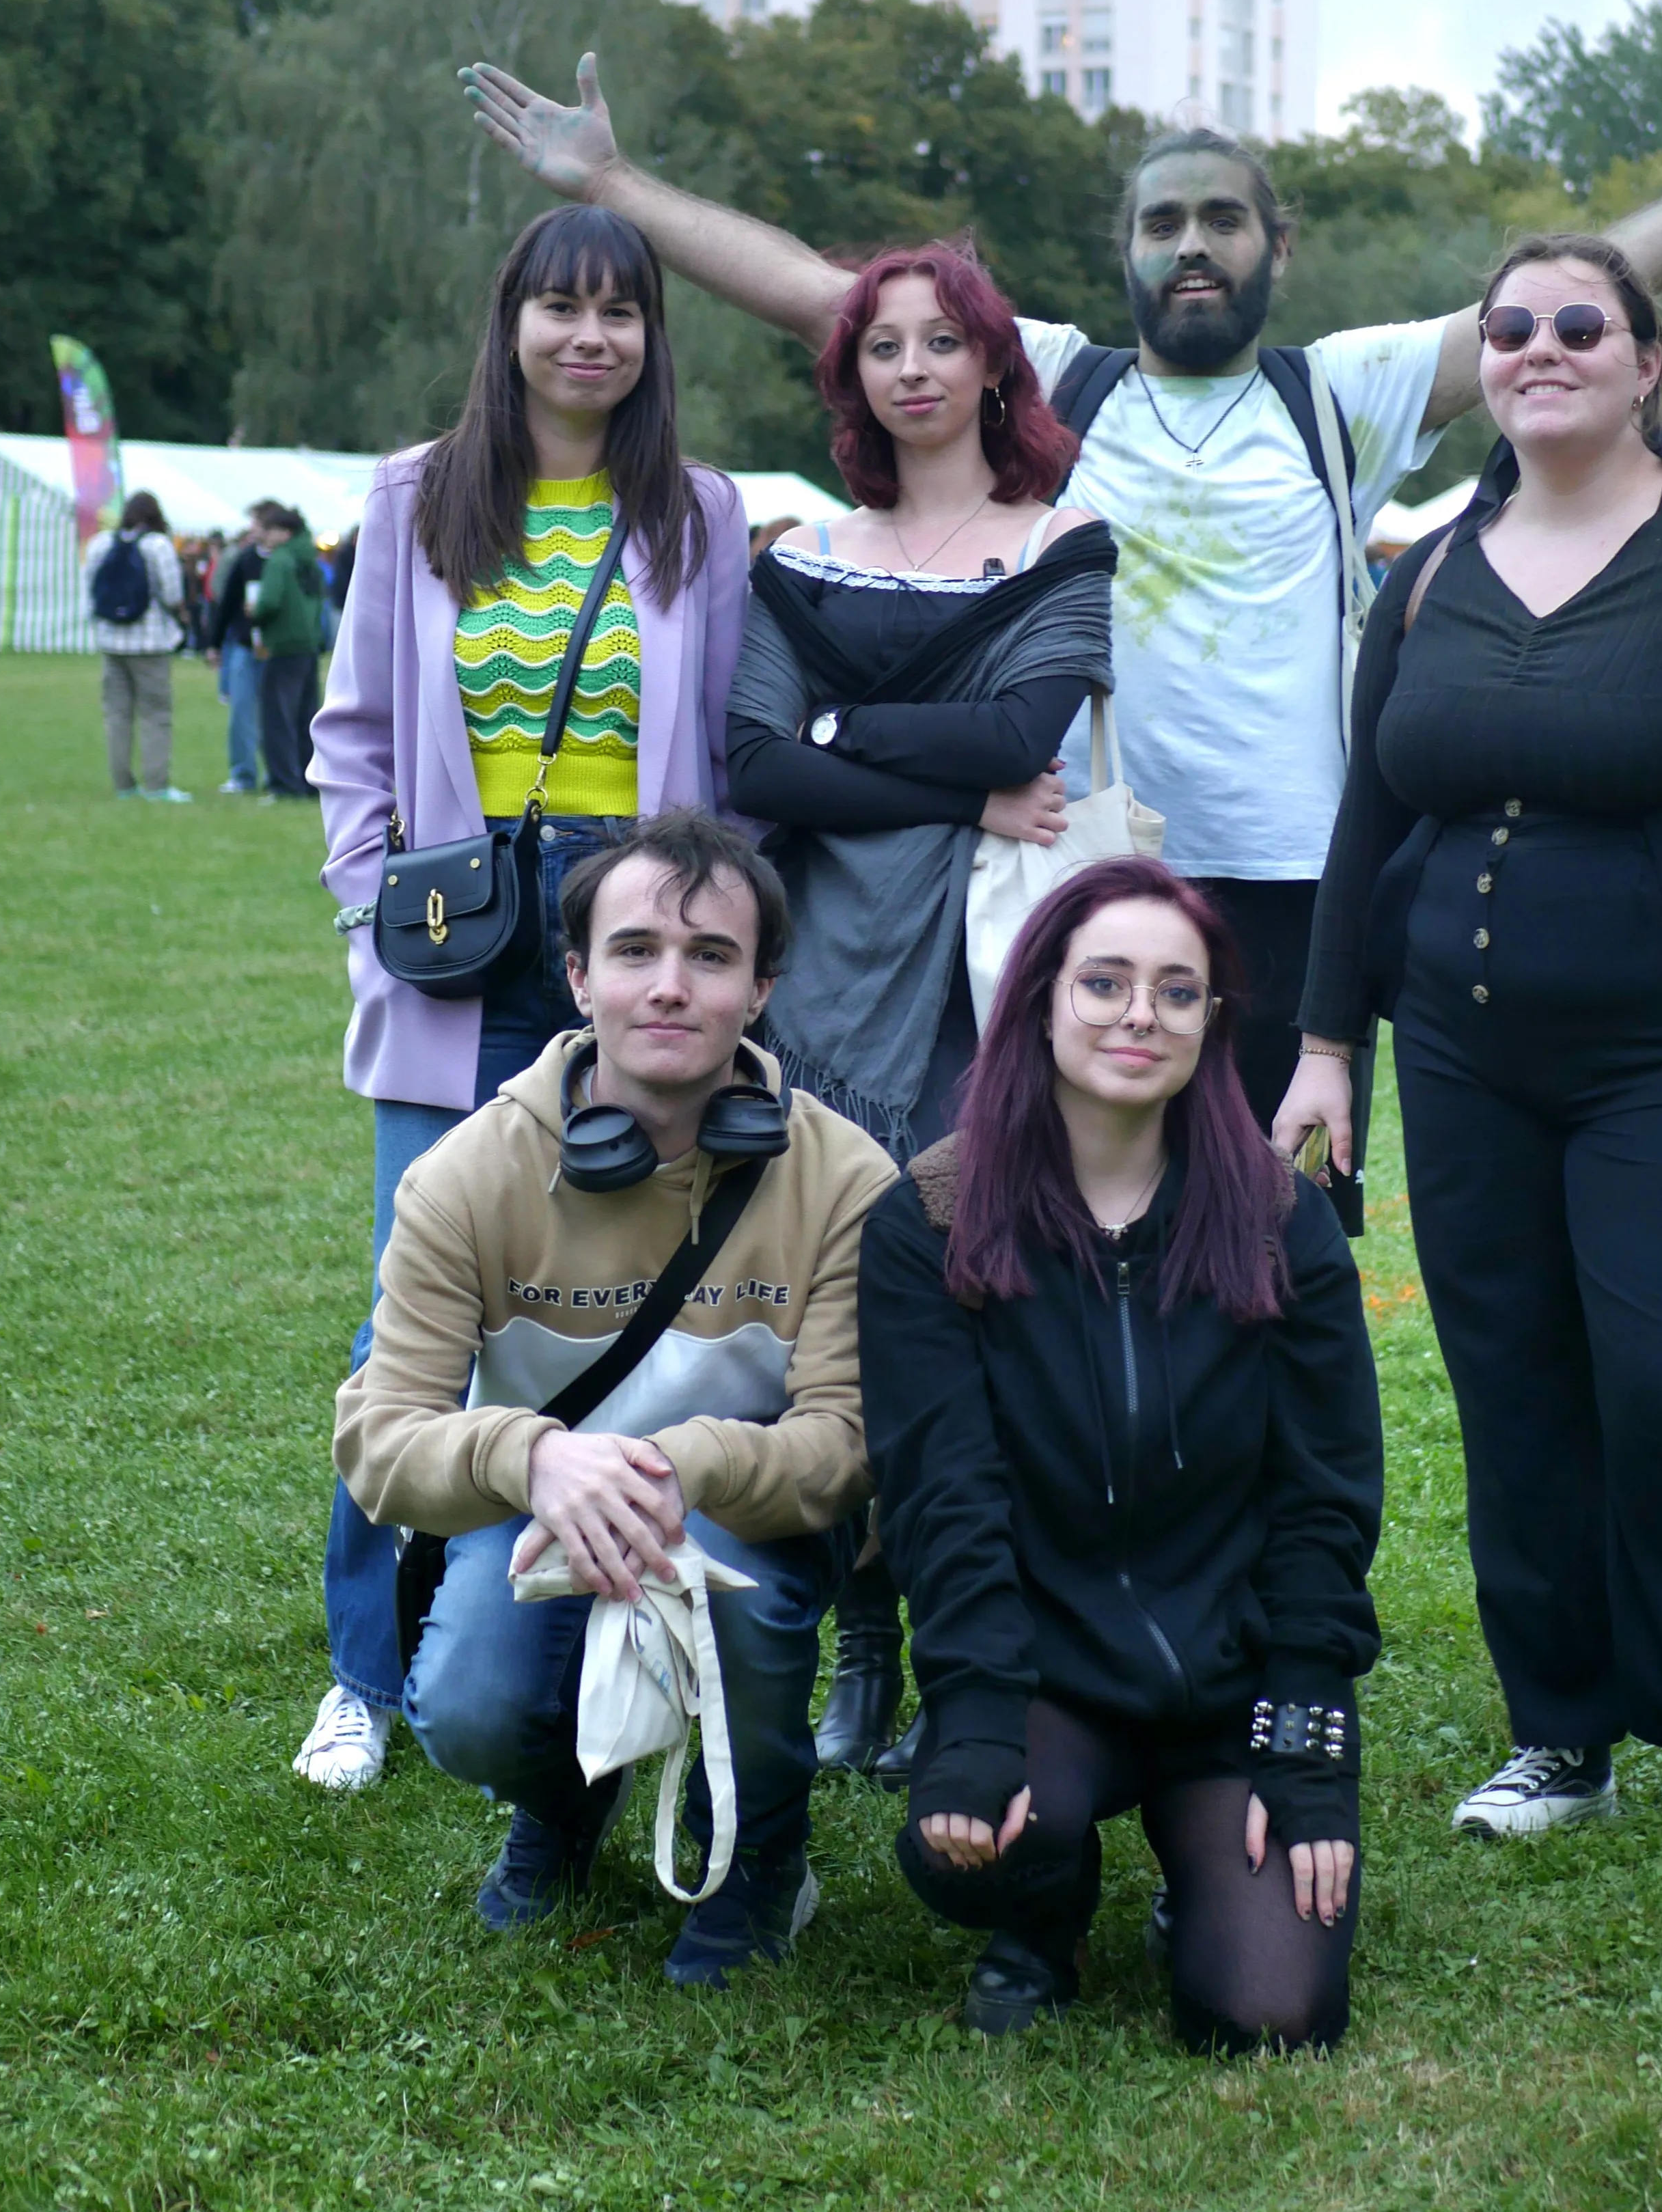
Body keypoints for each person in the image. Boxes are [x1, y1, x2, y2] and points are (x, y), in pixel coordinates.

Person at [458, 22, 1662, 1221]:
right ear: (1127, 250)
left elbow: (1570, 306)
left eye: (1223, 219)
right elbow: (827, 301)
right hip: (1087, 871)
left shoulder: (1339, 393)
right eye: (1164, 222)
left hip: (1298, 886)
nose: (1194, 245)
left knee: (1287, 1222)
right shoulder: (1056, 381)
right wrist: (618, 185)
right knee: (1079, 1212)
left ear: (1279, 242)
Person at [1276, 234, 1662, 1877]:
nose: (1538, 347)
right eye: (1508, 326)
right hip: (1462, 1055)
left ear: (1644, 362)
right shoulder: (1428, 569)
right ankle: (1562, 1727)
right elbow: (1368, 818)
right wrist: (1328, 1043)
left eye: (1578, 323)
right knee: (1513, 1385)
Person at [299, 203, 750, 1795]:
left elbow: (731, 740)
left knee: (613, 1292)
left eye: (619, 310)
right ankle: (364, 1670)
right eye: (559, 306)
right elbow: (353, 734)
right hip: (459, 940)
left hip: (635, 942)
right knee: (412, 1313)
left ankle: (575, 1615)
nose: (588, 336)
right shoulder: (416, 497)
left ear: (650, 337)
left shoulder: (699, 511)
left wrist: (705, 937)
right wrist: (374, 909)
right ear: (511, 324)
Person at [333, 811, 899, 1978]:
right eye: (636, 950)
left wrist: (684, 1468)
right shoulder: (466, 1175)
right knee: (470, 1708)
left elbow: (849, 1443)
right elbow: (379, 1439)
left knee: (741, 1602)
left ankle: (760, 1854)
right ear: (580, 977)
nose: (670, 986)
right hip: (537, 1508)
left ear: (762, 989)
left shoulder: (846, 1178)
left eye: (711, 956)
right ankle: (563, 1800)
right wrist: (533, 1459)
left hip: (742, 1510)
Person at [858, 857, 1381, 2047]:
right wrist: (974, 1714)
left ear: (1211, 1022)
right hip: (1044, 1673)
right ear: (1039, 1000)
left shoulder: (1277, 1215)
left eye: (1176, 992)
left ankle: (1197, 1886)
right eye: (1103, 983)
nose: (1140, 1014)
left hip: (1232, 1678)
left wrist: (1306, 1730)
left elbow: (1325, 1493)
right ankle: (1048, 1917)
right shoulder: (930, 1218)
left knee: (1270, 2013)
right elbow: (943, 1494)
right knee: (980, 1844)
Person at [722, 240, 1111, 1777]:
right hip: (819, 995)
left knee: (967, 1327)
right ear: (851, 377)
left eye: (943, 341)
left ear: (996, 364)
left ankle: (967, 1654)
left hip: (982, 992)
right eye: (881, 346)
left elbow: (1028, 732)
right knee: (813, 1332)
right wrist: (949, 782)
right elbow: (757, 764)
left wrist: (843, 731)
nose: (912, 369)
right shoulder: (803, 552)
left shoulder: (1061, 541)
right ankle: (860, 1650)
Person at [84, 490, 192, 803]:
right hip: (150, 643)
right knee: (155, 715)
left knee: (117, 716)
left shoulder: (101, 543)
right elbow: (172, 594)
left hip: (111, 641)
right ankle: (157, 785)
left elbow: (90, 587)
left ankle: (123, 785)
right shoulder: (157, 545)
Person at [253, 504, 327, 799]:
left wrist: (254, 613)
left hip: (283, 646)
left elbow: (270, 601)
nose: (265, 536)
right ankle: (310, 782)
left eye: (270, 530)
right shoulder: (311, 559)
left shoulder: (281, 560)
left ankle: (284, 784)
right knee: (307, 719)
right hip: (309, 646)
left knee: (278, 719)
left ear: (285, 533)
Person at [205, 508, 273, 792]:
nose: (252, 529)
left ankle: (278, 775)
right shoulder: (245, 559)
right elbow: (228, 603)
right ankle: (243, 775)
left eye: (256, 523)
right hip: (245, 646)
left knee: (275, 715)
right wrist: (214, 643)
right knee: (241, 713)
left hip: (277, 650)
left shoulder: (287, 560)